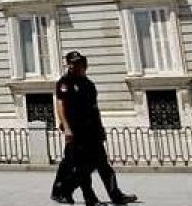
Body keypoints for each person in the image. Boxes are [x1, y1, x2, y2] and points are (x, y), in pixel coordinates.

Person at [51, 51, 137, 206]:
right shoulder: (65, 82)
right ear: (68, 64)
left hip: (92, 130)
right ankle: (83, 197)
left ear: (84, 64)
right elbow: (60, 105)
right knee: (79, 166)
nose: (76, 66)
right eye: (72, 63)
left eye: (79, 63)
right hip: (76, 131)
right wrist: (67, 127)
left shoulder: (89, 84)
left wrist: (101, 128)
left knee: (103, 165)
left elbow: (95, 109)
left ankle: (116, 196)